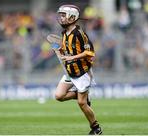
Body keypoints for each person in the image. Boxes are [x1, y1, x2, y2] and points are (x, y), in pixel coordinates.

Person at [54, 4, 102, 135]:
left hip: (82, 73)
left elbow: (90, 52)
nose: (61, 18)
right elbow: (67, 50)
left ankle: (96, 128)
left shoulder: (79, 34)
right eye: (61, 15)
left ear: (72, 17)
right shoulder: (64, 33)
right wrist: (60, 51)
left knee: (82, 104)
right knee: (58, 96)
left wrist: (72, 58)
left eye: (64, 15)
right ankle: (82, 95)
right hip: (70, 72)